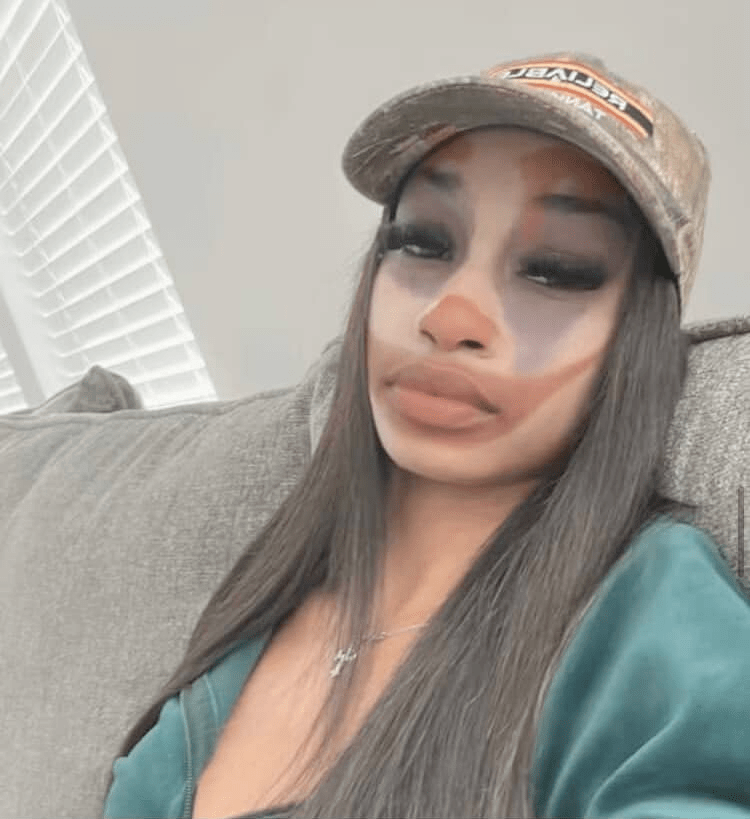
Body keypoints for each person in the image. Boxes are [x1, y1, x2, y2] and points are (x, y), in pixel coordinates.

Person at [103, 52, 750, 819]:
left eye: (554, 269)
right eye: (422, 241)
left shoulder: (655, 613)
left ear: (633, 343)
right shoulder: (245, 632)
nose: (449, 316)